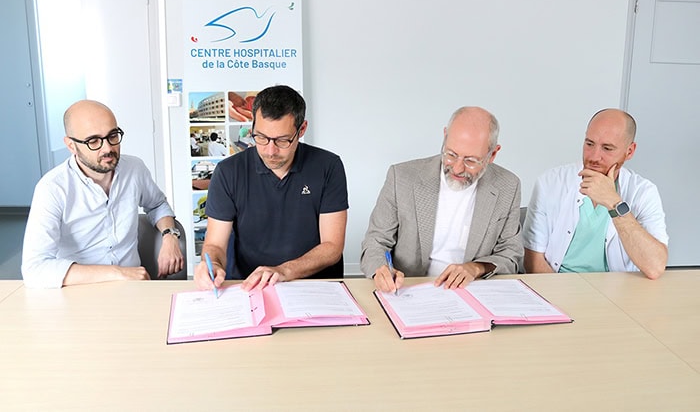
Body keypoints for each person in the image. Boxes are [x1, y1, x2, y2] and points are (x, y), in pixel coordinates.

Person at [194, 85, 349, 292]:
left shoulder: (328, 166)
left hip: (314, 286)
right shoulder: (228, 172)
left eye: (282, 140)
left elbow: (332, 247)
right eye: (261, 137)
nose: (270, 151)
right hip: (248, 286)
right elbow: (215, 244)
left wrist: (283, 271)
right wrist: (212, 264)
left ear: (302, 129)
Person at [22, 100, 185, 288]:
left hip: (133, 288)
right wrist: (118, 273)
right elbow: (34, 269)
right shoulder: (52, 188)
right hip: (79, 289)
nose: (107, 148)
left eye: (113, 136)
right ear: (71, 145)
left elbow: (157, 204)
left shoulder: (135, 169)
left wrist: (170, 236)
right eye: (93, 141)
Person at [361, 106, 523, 293]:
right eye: (451, 154)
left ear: (493, 154)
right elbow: (375, 241)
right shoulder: (402, 177)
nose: (457, 168)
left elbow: (511, 254)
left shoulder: (508, 186)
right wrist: (380, 270)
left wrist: (477, 268)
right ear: (445, 136)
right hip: (408, 289)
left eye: (471, 161)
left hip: (472, 291)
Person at [522, 108, 668, 279]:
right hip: (556, 285)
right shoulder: (550, 182)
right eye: (589, 144)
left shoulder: (643, 192)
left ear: (629, 151)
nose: (594, 157)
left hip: (617, 289)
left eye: (607, 148)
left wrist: (614, 203)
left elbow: (655, 267)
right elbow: (532, 262)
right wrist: (561, 293)